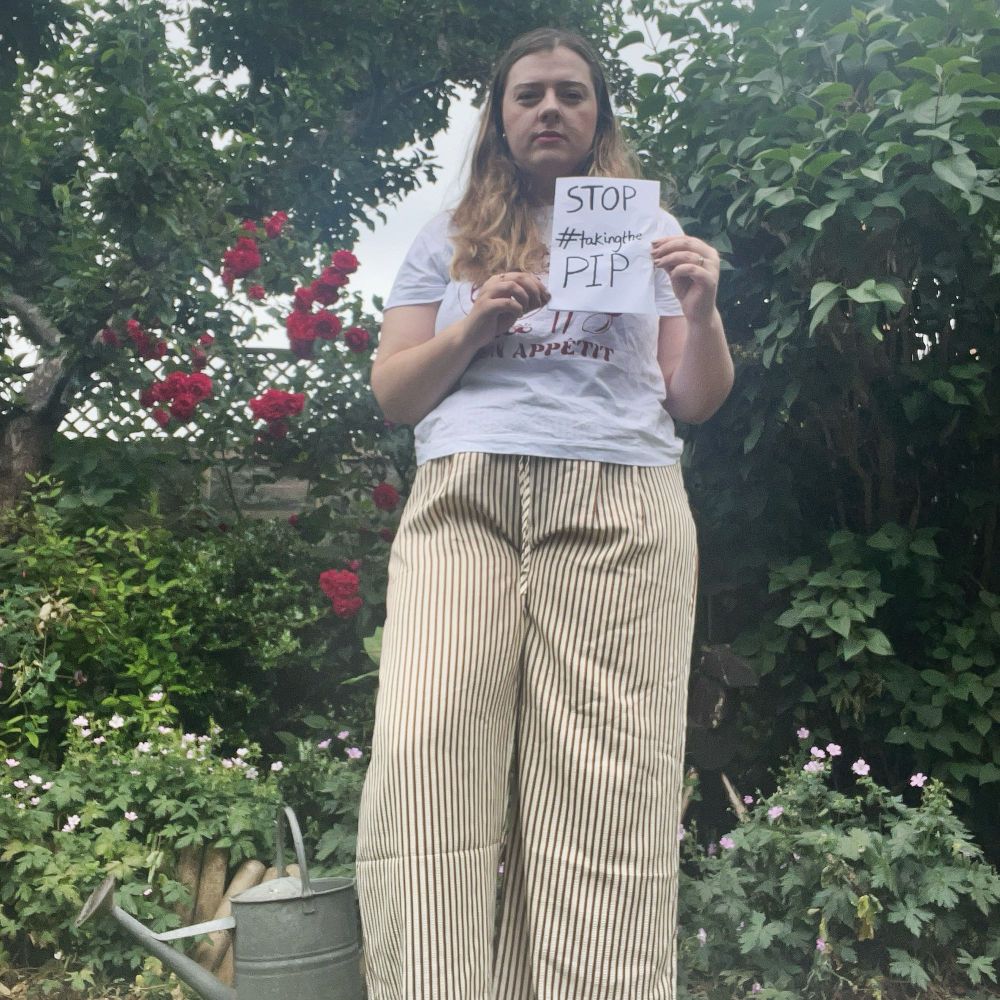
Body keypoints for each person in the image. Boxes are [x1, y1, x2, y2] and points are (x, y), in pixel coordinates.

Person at [354, 26, 733, 1000]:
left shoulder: (645, 233)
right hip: (466, 500)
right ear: (500, 117)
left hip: (618, 501)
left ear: (597, 113)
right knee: (425, 745)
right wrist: (478, 320)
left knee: (606, 787)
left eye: (571, 92)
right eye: (529, 95)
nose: (550, 108)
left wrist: (701, 303)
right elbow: (395, 393)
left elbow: (691, 396)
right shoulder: (446, 237)